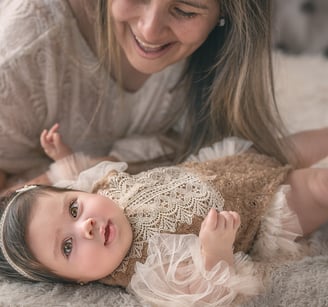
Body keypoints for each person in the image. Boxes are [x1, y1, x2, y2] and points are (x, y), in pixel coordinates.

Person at [3, 0, 328, 193]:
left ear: (225, 15)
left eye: (185, 10)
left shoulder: (221, 55)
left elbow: (242, 156)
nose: (149, 30)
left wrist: (114, 165)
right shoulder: (25, 47)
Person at [1, 126, 328, 306]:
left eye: (74, 209)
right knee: (318, 187)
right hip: (264, 209)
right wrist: (215, 249)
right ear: (77, 281)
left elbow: (73, 181)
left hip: (229, 167)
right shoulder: (146, 266)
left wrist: (64, 157)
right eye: (68, 247)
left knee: (291, 145)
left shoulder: (99, 191)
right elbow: (210, 294)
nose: (84, 225)